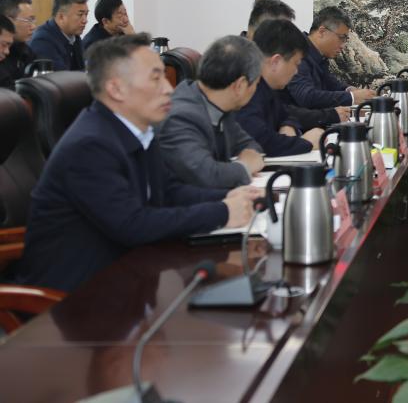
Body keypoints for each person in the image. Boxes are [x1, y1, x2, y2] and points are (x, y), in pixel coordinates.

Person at [15, 34, 258, 293]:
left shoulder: (139, 131)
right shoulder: (89, 146)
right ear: (116, 89)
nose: (168, 88)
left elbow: (169, 192)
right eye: (156, 78)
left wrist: (228, 196)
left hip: (128, 279)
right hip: (73, 298)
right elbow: (132, 225)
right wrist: (222, 212)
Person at [160, 36, 266, 189]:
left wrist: (250, 158)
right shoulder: (180, 117)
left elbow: (250, 146)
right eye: (256, 84)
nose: (256, 90)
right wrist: (244, 167)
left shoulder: (221, 107)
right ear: (240, 85)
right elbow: (206, 176)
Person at [237, 19, 324, 157]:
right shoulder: (247, 89)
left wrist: (288, 125)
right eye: (296, 64)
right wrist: (307, 143)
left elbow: (286, 113)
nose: (296, 71)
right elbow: (263, 142)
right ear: (275, 61)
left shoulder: (269, 86)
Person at [285, 6, 375, 109]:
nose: (343, 46)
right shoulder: (297, 53)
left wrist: (350, 90)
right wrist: (352, 97)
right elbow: (306, 97)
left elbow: (330, 83)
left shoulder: (318, 56)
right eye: (341, 38)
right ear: (322, 32)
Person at [28, 0, 89, 71]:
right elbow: (60, 76)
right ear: (61, 17)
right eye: (80, 14)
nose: (85, 20)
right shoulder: (43, 41)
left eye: (86, 14)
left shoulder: (75, 37)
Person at [0, 0, 38, 88]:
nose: (33, 27)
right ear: (9, 20)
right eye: (28, 20)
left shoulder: (24, 49)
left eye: (33, 20)